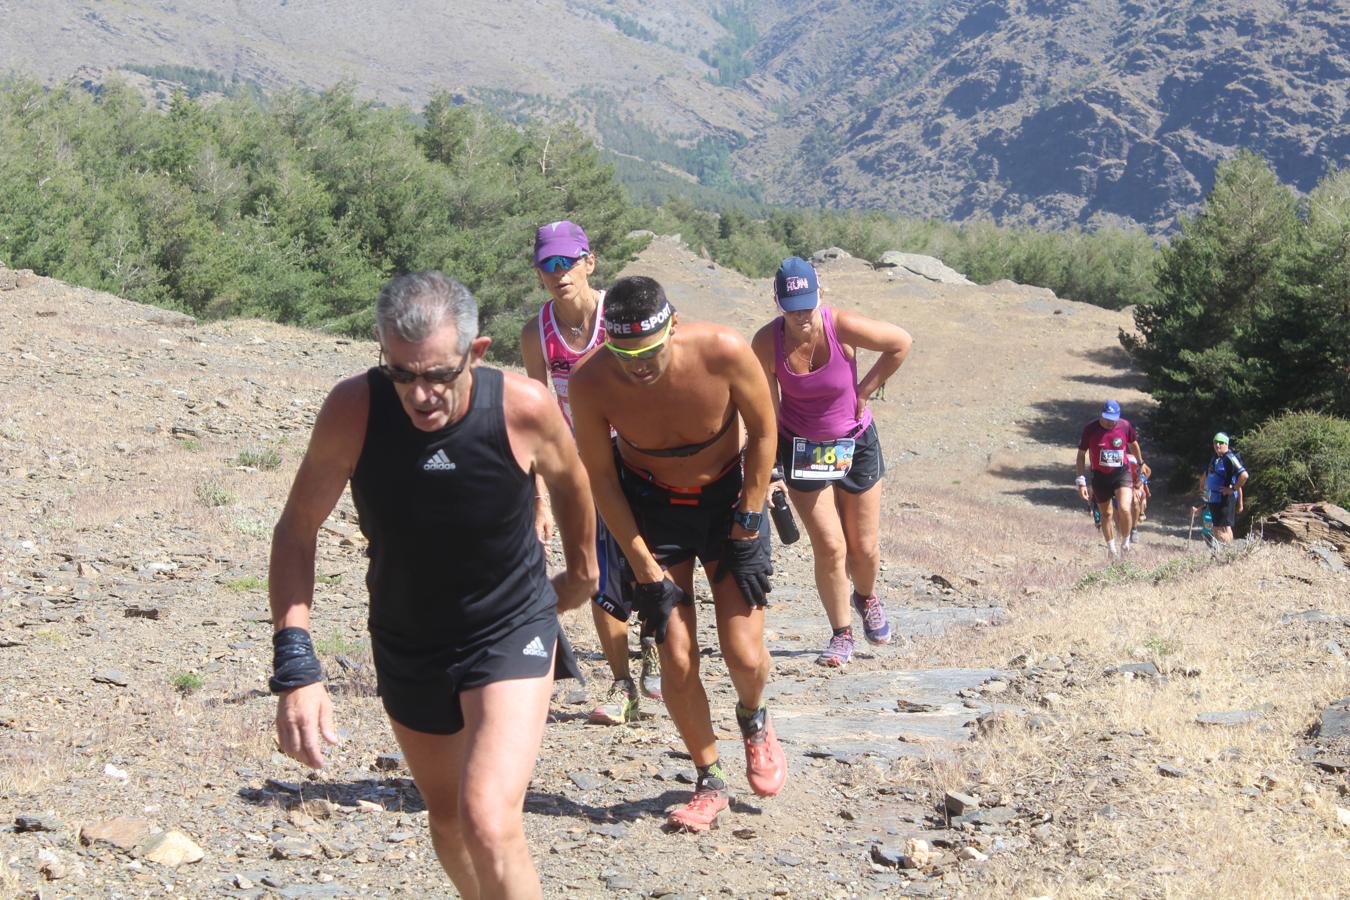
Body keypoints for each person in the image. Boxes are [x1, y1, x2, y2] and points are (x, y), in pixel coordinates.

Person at [268, 272, 598, 898]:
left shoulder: (523, 406)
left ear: (476, 353)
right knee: (447, 820)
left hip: (511, 624)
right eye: (402, 374)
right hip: (409, 636)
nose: (420, 395)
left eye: (439, 375)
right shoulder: (354, 410)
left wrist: (583, 570)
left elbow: (572, 480)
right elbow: (296, 530)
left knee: (488, 817)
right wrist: (296, 660)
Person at [568, 275, 787, 833]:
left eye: (648, 350)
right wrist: (638, 558)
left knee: (742, 652)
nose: (637, 366)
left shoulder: (724, 351)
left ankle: (753, 717)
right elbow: (599, 476)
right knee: (677, 657)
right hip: (652, 511)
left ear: (673, 326)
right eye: (623, 353)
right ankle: (708, 779)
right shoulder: (592, 381)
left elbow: (765, 432)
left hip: (728, 502)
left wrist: (752, 510)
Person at [519, 220, 661, 726]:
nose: (559, 274)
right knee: (599, 571)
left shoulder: (619, 315)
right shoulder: (537, 334)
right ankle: (622, 685)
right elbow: (539, 418)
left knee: (648, 560)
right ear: (539, 275)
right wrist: (539, 498)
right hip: (580, 466)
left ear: (590, 261)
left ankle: (653, 653)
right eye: (548, 265)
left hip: (642, 457)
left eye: (568, 262)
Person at [750, 256, 912, 668]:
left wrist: (864, 391)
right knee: (830, 545)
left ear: (820, 294)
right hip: (802, 448)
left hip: (856, 443)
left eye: (807, 304)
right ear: (777, 303)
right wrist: (769, 472)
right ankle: (841, 634)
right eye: (793, 307)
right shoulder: (766, 343)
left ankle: (866, 596)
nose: (802, 315)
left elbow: (900, 343)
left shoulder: (840, 325)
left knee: (865, 548)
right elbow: (765, 412)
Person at [1076, 399, 1144, 560]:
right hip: (1100, 476)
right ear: (1102, 415)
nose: (1110, 423)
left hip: (1122, 473)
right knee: (1106, 514)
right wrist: (1081, 481)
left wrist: (1141, 462)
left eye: (1113, 419)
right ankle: (1111, 549)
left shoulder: (1125, 426)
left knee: (1124, 508)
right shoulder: (1090, 429)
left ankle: (1126, 543)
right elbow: (1080, 455)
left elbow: (1133, 444)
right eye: (1107, 418)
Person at [1195, 431, 1248, 544]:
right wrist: (1205, 501)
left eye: (1220, 442)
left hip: (1224, 499)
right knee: (1224, 528)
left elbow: (1244, 476)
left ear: (1226, 444)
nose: (1217, 445)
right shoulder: (1216, 458)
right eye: (1215, 442)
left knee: (1217, 529)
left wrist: (1232, 490)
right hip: (1214, 499)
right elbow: (1205, 481)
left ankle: (1229, 552)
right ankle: (1227, 555)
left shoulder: (1230, 457)